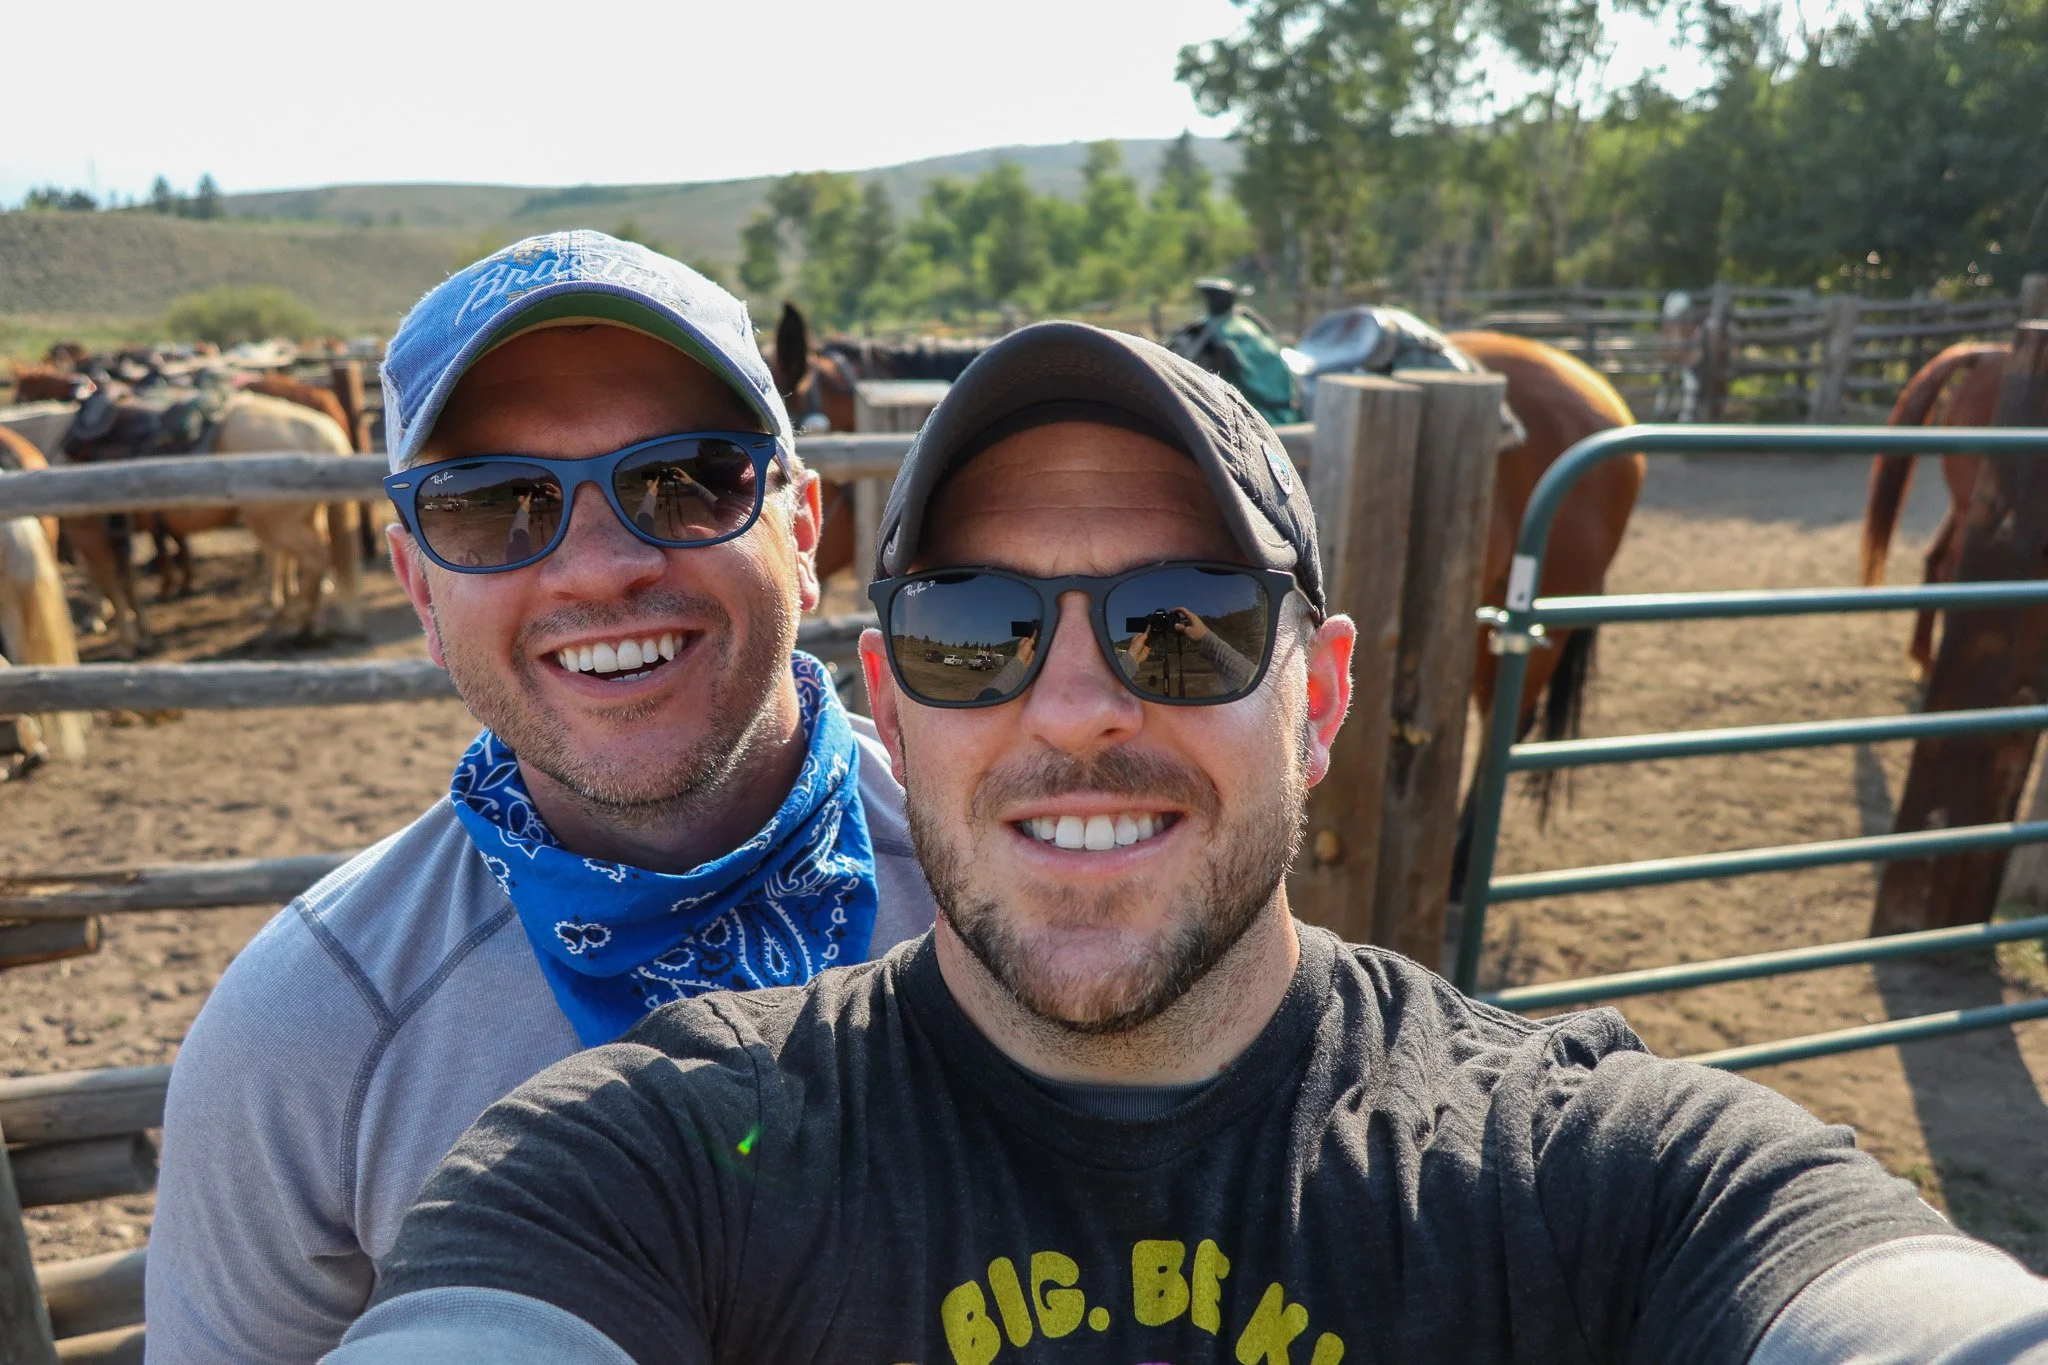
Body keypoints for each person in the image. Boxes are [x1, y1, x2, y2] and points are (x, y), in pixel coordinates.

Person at [326, 323, 2048, 1364]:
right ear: (889, 706)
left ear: (1318, 699)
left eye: (1184, 623)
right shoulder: (652, 1159)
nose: (1073, 706)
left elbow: (1882, 1305)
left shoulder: (1583, 1172)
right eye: (973, 632)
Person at [144, 231, 937, 1364]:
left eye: (685, 479)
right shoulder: (312, 1038)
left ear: (800, 530)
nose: (596, 567)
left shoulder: (1013, 895)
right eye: (491, 502)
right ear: (419, 589)